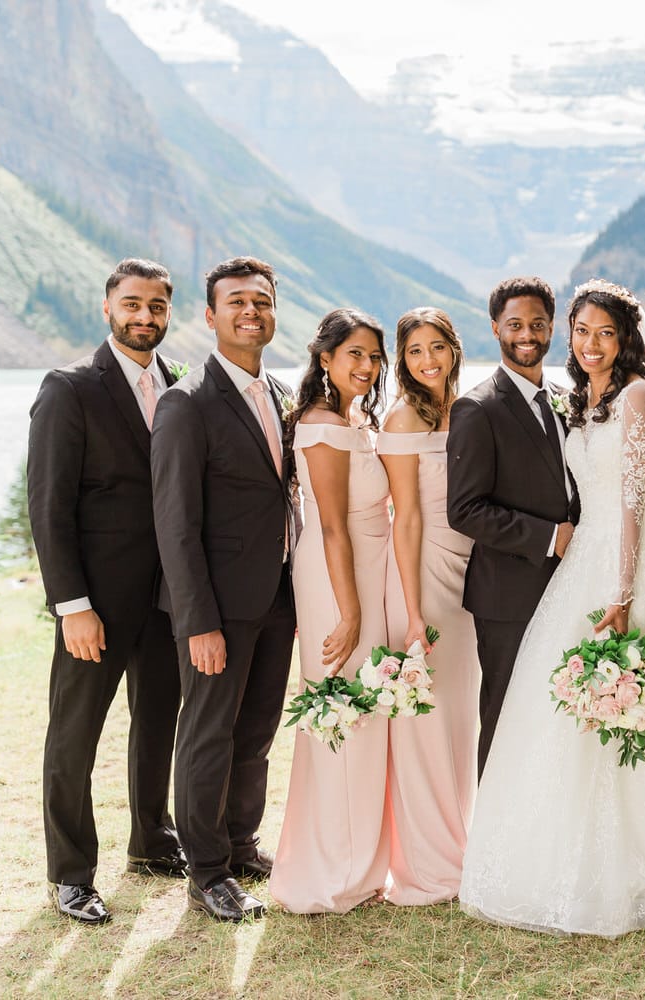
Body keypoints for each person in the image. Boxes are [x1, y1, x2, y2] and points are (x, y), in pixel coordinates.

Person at [459, 279, 645, 937]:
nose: (590, 344)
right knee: (570, 711)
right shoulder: (582, 400)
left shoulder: (639, 396)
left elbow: (636, 500)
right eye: (581, 331)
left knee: (637, 707)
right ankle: (572, 861)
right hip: (580, 560)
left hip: (627, 565)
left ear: (627, 339)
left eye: (605, 332)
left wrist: (621, 592)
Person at [27, 258, 186, 924]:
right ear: (107, 307)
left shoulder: (181, 386)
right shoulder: (69, 389)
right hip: (96, 602)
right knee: (75, 737)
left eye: (155, 306)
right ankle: (70, 874)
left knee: (156, 725)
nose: (144, 316)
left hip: (167, 599)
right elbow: (48, 505)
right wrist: (72, 605)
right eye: (132, 304)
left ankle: (151, 841)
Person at [151, 257, 296, 922]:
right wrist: (197, 620)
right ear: (209, 316)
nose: (250, 312)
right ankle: (206, 870)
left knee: (258, 732)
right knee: (209, 733)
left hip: (278, 598)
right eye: (236, 301)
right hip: (216, 607)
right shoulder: (185, 403)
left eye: (261, 301)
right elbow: (176, 526)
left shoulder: (281, 393)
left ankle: (241, 845)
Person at [270, 309, 395, 914]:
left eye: (374, 357)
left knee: (370, 709)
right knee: (342, 711)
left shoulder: (361, 420)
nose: (367, 367)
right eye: (354, 355)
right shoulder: (321, 425)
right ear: (325, 358)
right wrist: (348, 612)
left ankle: (365, 862)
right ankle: (330, 868)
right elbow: (333, 528)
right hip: (336, 576)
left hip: (372, 570)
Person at [446, 276, 576, 775]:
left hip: (568, 587)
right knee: (504, 716)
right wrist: (549, 537)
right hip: (508, 594)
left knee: (560, 716)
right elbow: (465, 509)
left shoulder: (567, 400)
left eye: (538, 324)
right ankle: (494, 851)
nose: (527, 334)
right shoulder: (477, 408)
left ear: (552, 329)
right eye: (516, 324)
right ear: (496, 326)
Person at [378, 307, 479, 905]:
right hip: (427, 575)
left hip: (472, 576)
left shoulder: (462, 411)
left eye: (437, 347)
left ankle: (461, 837)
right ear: (403, 359)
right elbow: (405, 519)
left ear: (454, 349)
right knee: (427, 716)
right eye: (415, 351)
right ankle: (426, 860)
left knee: (461, 712)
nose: (428, 361)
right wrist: (414, 613)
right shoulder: (402, 418)